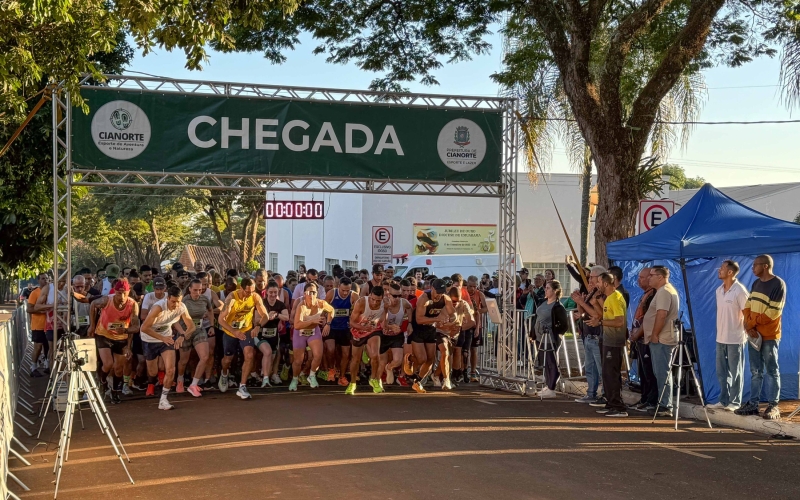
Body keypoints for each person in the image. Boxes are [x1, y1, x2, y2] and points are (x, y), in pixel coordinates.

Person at [736, 255, 786, 420]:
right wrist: (748, 324)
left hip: (769, 336)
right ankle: (753, 404)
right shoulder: (756, 283)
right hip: (754, 334)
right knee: (755, 371)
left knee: (772, 371)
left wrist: (751, 324)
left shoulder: (778, 284)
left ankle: (773, 406)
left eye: (755, 265)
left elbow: (773, 312)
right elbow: (748, 306)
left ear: (765, 266)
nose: (752, 268)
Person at [140, 286, 195, 410]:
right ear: (168, 298)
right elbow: (144, 328)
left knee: (170, 370)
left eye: (178, 301)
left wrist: (182, 336)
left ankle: (163, 399)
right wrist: (161, 338)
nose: (176, 304)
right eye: (173, 301)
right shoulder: (158, 308)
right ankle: (154, 381)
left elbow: (191, 326)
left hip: (167, 338)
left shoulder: (181, 307)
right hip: (149, 339)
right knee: (152, 372)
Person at [218, 277, 272, 399]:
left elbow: (266, 316)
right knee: (227, 359)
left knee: (249, 355)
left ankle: (242, 386)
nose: (249, 294)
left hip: (246, 329)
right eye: (247, 291)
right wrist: (234, 331)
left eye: (252, 291)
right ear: (241, 288)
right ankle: (224, 374)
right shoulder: (231, 298)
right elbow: (221, 319)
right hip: (230, 331)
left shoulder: (255, 297)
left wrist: (257, 326)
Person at [706, 260, 749, 411]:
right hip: (720, 338)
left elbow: (747, 314)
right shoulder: (718, 290)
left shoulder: (740, 290)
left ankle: (735, 402)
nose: (719, 270)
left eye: (722, 268)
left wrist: (746, 332)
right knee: (721, 372)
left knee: (736, 371)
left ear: (730, 272)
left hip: (736, 339)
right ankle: (723, 400)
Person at [88, 279, 140, 404]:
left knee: (118, 368)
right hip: (104, 334)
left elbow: (136, 327)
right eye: (118, 293)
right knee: (108, 364)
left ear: (129, 292)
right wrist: (92, 324)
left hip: (120, 338)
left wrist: (126, 332)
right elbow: (93, 304)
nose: (121, 296)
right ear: (114, 291)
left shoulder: (133, 305)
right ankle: (103, 382)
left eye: (124, 293)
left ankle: (115, 391)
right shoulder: (107, 300)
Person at [642, 266, 680, 418]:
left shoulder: (664, 291)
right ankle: (663, 403)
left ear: (660, 277)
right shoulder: (663, 291)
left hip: (662, 338)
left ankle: (666, 405)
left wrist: (655, 334)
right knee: (660, 371)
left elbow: (661, 315)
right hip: (662, 336)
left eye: (651, 275)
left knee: (662, 371)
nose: (649, 278)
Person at [591, 273, 628, 417]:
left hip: (614, 342)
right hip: (607, 340)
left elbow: (619, 321)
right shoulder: (609, 298)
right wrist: (595, 307)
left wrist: (599, 323)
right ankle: (611, 403)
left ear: (606, 284)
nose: (596, 285)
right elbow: (604, 316)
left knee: (611, 374)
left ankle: (618, 407)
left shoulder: (616, 298)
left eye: (598, 282)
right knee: (607, 373)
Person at [409, 279, 455, 394]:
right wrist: (436, 319)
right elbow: (419, 320)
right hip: (418, 328)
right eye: (438, 291)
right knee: (421, 359)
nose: (439, 295)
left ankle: (417, 381)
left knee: (430, 359)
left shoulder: (445, 298)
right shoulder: (424, 299)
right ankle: (409, 358)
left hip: (430, 329)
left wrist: (450, 320)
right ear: (432, 289)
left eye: (442, 292)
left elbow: (453, 313)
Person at [570, 265, 606, 405]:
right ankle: (591, 393)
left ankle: (604, 395)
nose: (589, 279)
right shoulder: (591, 291)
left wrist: (581, 304)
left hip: (597, 336)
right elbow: (585, 311)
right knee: (590, 368)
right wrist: (580, 302)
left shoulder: (601, 294)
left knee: (601, 368)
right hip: (587, 334)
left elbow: (598, 314)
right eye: (589, 277)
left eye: (592, 277)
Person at [290, 282, 334, 391]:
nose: (311, 295)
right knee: (298, 361)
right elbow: (296, 325)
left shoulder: (321, 303)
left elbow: (332, 310)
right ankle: (295, 379)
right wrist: (313, 320)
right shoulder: (301, 305)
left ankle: (312, 375)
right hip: (300, 333)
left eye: (314, 292)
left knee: (318, 355)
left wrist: (328, 324)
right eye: (309, 292)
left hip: (313, 331)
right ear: (305, 293)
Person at [176, 279, 214, 397]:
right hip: (185, 332)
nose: (198, 292)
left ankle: (194, 384)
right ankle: (180, 380)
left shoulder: (204, 299)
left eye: (200, 290)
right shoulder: (184, 301)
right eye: (195, 290)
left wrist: (212, 325)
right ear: (190, 289)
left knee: (204, 356)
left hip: (199, 330)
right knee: (183, 361)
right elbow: (175, 319)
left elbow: (210, 310)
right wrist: (182, 333)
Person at [627, 268, 658, 412]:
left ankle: (652, 400)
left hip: (646, 339)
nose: (639, 280)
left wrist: (638, 333)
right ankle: (644, 398)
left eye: (642, 277)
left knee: (650, 372)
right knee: (642, 372)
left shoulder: (654, 295)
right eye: (638, 277)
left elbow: (648, 319)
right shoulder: (645, 295)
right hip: (639, 339)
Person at [531, 280, 569, 398]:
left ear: (555, 291)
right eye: (545, 288)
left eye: (548, 288)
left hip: (550, 338)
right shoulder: (543, 302)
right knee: (544, 362)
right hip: (539, 336)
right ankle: (548, 384)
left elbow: (564, 325)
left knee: (551, 362)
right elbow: (537, 318)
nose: (545, 290)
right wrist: (533, 332)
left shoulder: (558, 306)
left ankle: (552, 387)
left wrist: (554, 330)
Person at [346, 285, 387, 394]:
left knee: (375, 355)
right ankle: (353, 383)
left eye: (378, 300)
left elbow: (383, 319)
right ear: (370, 296)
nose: (375, 303)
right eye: (373, 299)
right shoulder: (361, 303)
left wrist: (388, 326)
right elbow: (351, 322)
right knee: (356, 359)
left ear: (382, 298)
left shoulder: (385, 304)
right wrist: (363, 328)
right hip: (358, 331)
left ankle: (374, 379)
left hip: (373, 330)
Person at [254, 281, 289, 387]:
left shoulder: (280, 304)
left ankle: (266, 377)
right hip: (260, 334)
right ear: (266, 292)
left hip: (273, 336)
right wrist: (267, 317)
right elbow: (256, 320)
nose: (273, 295)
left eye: (275, 292)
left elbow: (287, 317)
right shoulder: (262, 303)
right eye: (271, 292)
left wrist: (277, 315)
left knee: (271, 357)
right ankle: (264, 379)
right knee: (267, 352)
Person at [379, 282, 412, 385]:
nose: (397, 298)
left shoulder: (404, 302)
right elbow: (382, 324)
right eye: (394, 296)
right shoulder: (383, 304)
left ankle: (389, 367)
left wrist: (410, 323)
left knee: (398, 360)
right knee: (381, 362)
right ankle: (377, 379)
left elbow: (410, 308)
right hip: (382, 335)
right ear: (388, 294)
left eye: (399, 295)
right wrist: (390, 326)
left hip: (396, 335)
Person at [326, 277, 356, 386]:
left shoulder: (353, 296)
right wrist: (327, 323)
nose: (345, 293)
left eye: (347, 290)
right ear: (338, 287)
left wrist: (353, 320)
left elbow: (359, 311)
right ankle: (331, 369)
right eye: (343, 290)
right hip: (332, 327)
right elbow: (324, 309)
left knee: (346, 354)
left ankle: (342, 376)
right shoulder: (331, 294)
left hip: (345, 328)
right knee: (330, 349)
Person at [27, 273, 49, 377]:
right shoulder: (35, 293)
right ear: (39, 281)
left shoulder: (52, 291)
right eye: (43, 279)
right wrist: (43, 311)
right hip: (38, 325)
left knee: (49, 346)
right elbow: (29, 309)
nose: (45, 281)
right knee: (38, 346)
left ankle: (48, 366)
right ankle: (33, 367)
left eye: (47, 279)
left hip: (50, 325)